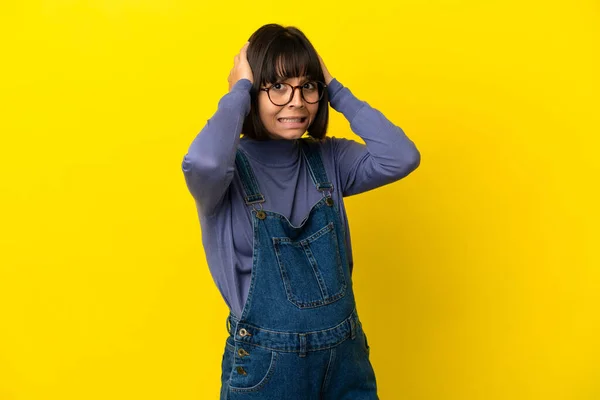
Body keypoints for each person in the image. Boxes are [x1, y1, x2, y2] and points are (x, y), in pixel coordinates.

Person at [182, 23, 420, 399]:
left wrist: (335, 87)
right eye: (277, 86)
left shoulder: (330, 158)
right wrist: (238, 91)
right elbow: (204, 164)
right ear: (252, 93)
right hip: (266, 368)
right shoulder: (225, 173)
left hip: (346, 361)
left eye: (307, 86)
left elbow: (402, 156)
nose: (296, 101)